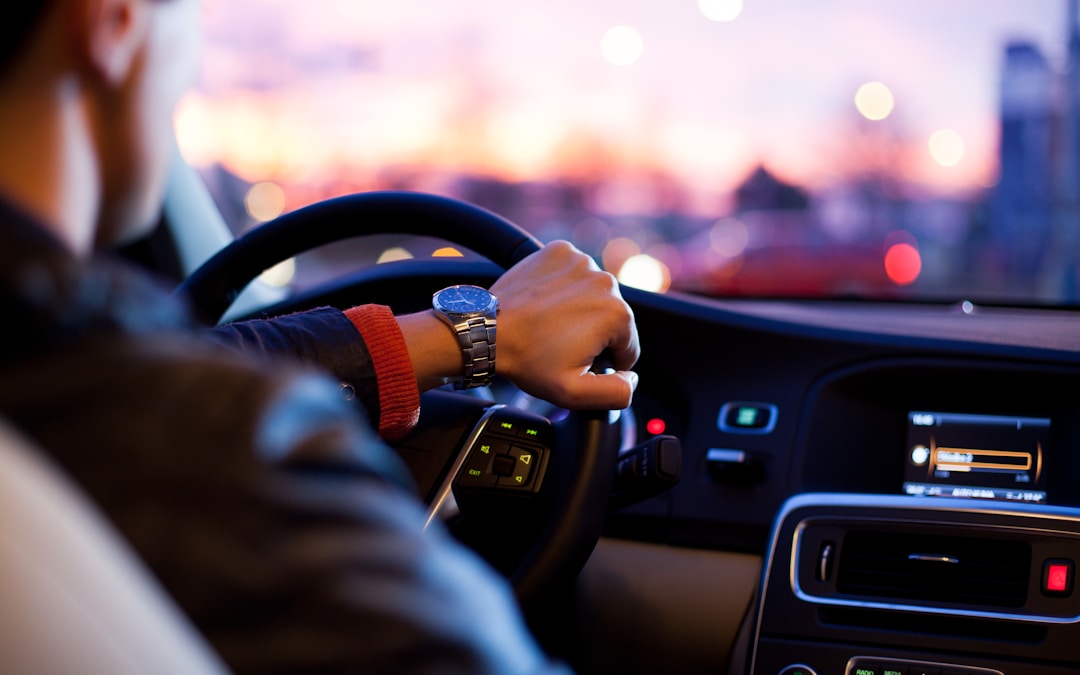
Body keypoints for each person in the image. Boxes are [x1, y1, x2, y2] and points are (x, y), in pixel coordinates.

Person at [0, 0, 640, 673]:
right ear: (114, 21)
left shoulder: (65, 380)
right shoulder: (229, 454)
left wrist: (470, 335)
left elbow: (182, 360)